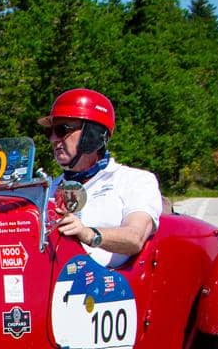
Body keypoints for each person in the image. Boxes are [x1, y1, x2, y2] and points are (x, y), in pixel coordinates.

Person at [40, 88, 161, 269]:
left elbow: (135, 237)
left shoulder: (135, 180)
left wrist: (87, 234)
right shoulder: (48, 189)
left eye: (61, 129)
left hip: (108, 287)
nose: (53, 139)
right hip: (56, 283)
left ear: (93, 135)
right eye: (49, 132)